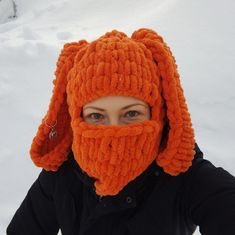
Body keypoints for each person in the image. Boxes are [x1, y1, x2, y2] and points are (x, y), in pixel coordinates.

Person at [7, 28, 235, 235]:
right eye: (96, 116)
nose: (113, 131)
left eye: (131, 114)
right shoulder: (63, 172)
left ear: (157, 114)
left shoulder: (184, 176)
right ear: (77, 117)